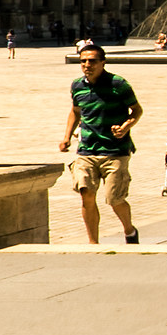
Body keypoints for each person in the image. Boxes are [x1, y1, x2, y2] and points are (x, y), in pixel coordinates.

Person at [59, 43, 142, 245]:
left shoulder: (118, 84)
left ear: (102, 62)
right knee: (86, 193)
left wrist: (125, 127)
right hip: (86, 150)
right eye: (83, 61)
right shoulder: (77, 85)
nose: (87, 65)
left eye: (92, 61)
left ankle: (129, 231)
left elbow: (136, 110)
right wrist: (66, 136)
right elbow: (76, 112)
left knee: (115, 199)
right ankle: (93, 243)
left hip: (116, 150)